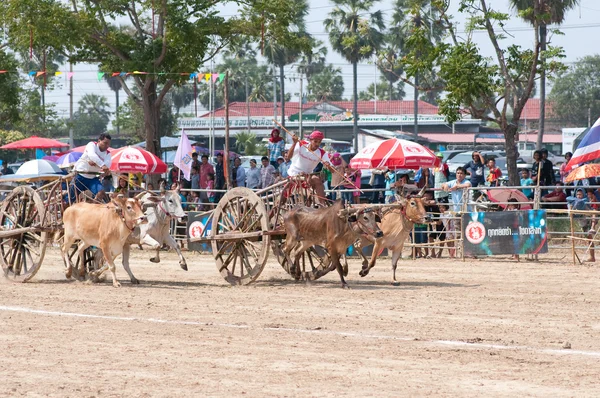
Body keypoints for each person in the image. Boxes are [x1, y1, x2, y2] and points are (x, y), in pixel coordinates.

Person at [287, 130, 332, 205]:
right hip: (293, 175)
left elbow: (332, 170)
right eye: (315, 141)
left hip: (307, 177)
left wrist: (328, 165)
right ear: (310, 140)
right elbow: (288, 156)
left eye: (319, 142)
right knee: (282, 199)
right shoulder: (301, 144)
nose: (317, 144)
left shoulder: (322, 153)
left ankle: (322, 205)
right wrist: (294, 143)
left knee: (317, 180)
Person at [72, 133, 112, 201]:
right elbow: (92, 155)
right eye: (105, 143)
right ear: (99, 141)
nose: (107, 146)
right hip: (80, 176)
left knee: (101, 193)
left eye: (108, 144)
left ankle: (93, 209)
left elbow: (107, 165)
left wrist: (97, 163)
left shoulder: (108, 154)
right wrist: (101, 165)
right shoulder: (91, 144)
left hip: (92, 178)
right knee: (70, 198)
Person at [567, 188, 597, 262]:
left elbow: (592, 211)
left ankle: (592, 256)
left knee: (589, 238)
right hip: (581, 222)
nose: (578, 196)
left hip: (587, 221)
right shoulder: (574, 202)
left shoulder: (585, 202)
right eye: (577, 194)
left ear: (583, 194)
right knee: (588, 238)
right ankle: (592, 256)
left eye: (580, 194)